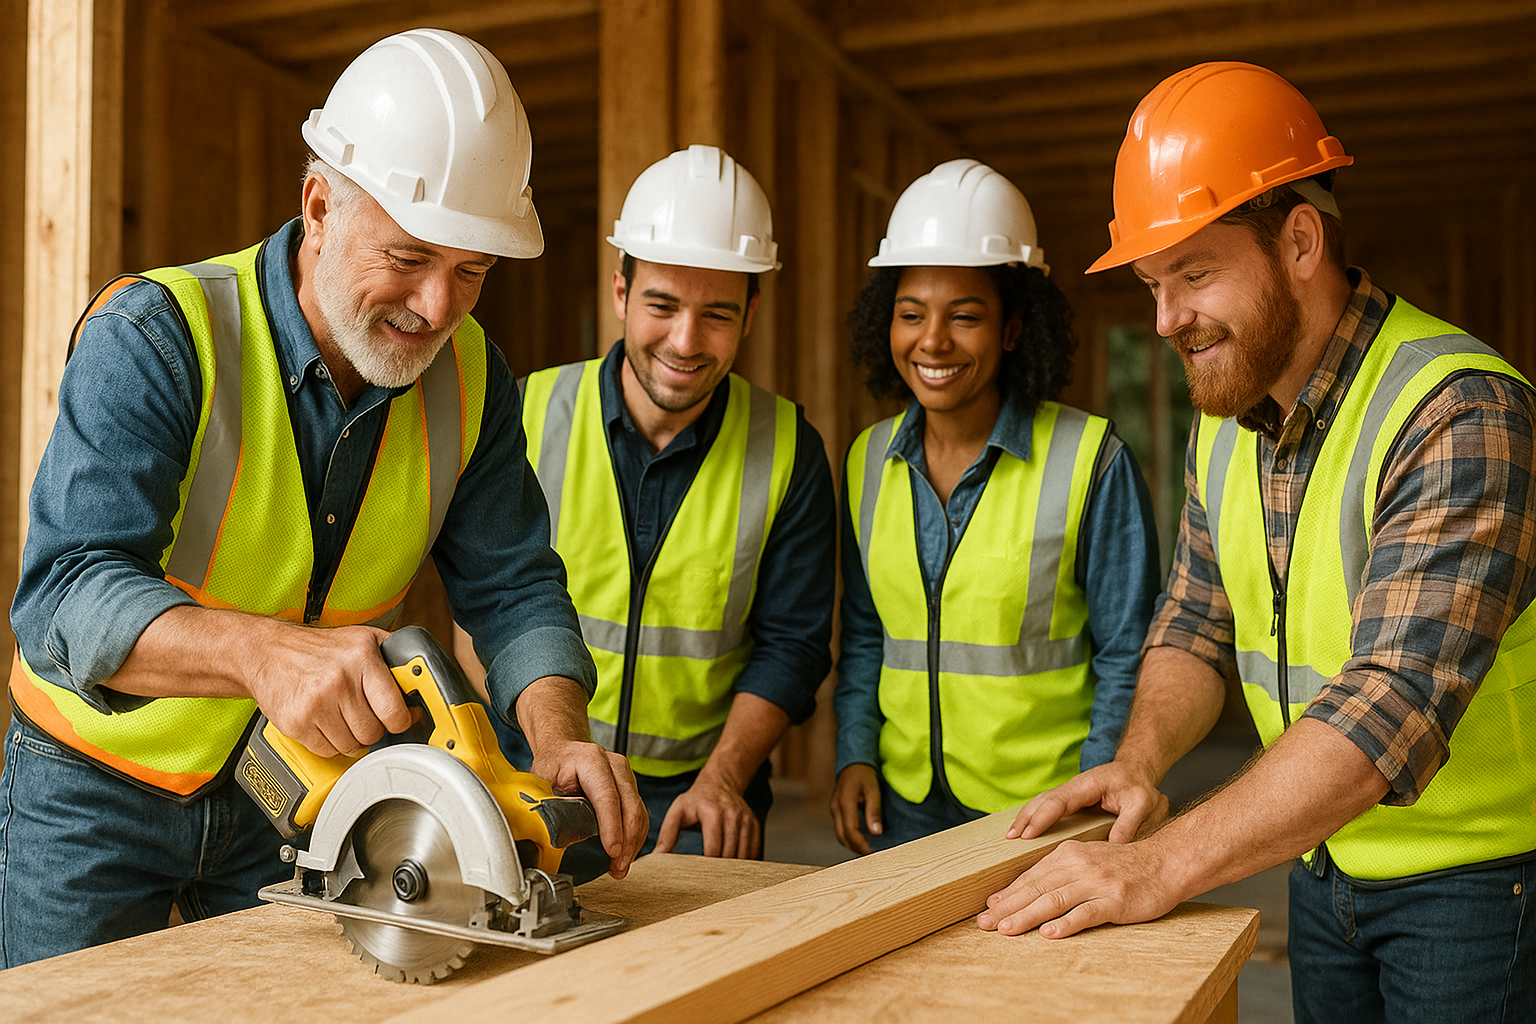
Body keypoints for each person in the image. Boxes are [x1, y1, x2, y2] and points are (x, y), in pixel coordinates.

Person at [1, 29, 645, 968]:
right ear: (318, 206)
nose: (437, 307)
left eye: (472, 272)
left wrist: (557, 737)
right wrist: (264, 655)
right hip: (93, 789)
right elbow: (62, 597)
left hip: (296, 792)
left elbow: (511, 588)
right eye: (410, 257)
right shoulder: (157, 334)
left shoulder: (472, 378)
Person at [978, 62, 1536, 1022]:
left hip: (1476, 887)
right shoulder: (1227, 423)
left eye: (1194, 273)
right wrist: (1138, 760)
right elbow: (1195, 621)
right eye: (1154, 283)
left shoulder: (1458, 411)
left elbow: (1388, 708)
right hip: (1321, 866)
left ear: (1302, 241)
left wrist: (1160, 866)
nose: (1165, 321)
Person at [506, 146, 836, 872]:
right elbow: (482, 601)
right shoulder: (526, 412)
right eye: (662, 305)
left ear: (751, 314)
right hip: (535, 766)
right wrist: (546, 746)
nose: (685, 342)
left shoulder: (789, 448)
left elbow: (794, 646)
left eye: (716, 313)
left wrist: (723, 780)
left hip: (697, 795)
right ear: (620, 292)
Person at [829, 159, 1160, 854]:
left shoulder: (1091, 460)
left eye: (966, 316)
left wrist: (1095, 790)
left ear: (1012, 329)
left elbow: (1127, 654)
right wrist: (856, 754)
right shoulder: (867, 461)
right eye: (910, 314)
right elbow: (865, 635)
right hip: (903, 803)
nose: (933, 342)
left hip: (1042, 808)